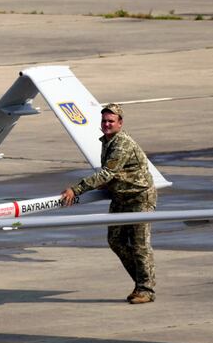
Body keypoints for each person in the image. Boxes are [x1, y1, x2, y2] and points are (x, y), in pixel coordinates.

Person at [60, 103, 157, 304]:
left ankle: (146, 289)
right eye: (104, 121)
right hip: (121, 196)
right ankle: (141, 283)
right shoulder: (107, 140)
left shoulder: (121, 143)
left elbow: (107, 172)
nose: (106, 124)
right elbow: (112, 173)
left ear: (120, 123)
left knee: (140, 245)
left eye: (111, 121)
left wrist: (76, 189)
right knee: (116, 241)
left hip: (139, 197)